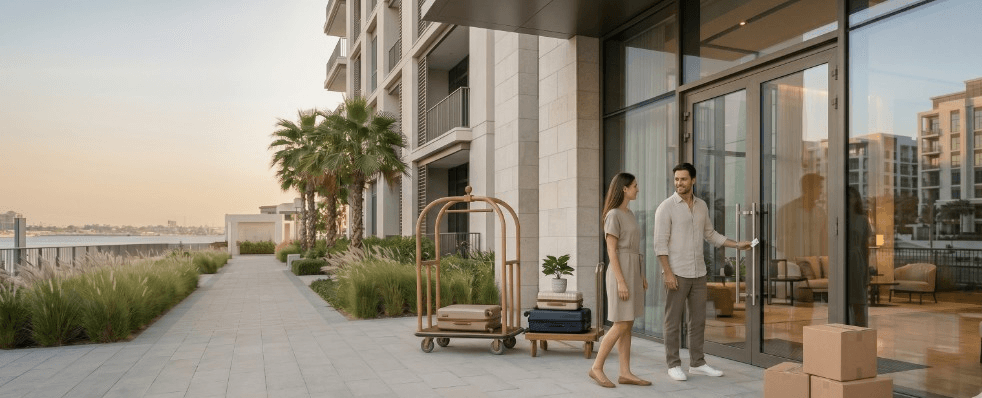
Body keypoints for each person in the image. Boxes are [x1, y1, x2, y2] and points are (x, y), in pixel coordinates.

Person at [654, 163, 751, 381]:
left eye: (684, 179)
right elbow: (659, 245)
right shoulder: (666, 207)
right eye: (676, 179)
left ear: (693, 180)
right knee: (672, 321)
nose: (679, 183)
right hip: (676, 273)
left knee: (698, 321)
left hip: (698, 272)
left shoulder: (701, 206)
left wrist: (736, 245)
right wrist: (667, 273)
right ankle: (673, 364)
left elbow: (711, 234)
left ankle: (697, 363)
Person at [589, 172, 650, 388]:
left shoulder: (630, 214)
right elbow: (612, 252)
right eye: (635, 185)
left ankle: (625, 372)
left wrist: (641, 275)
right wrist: (621, 281)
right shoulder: (613, 215)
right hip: (620, 272)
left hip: (632, 270)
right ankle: (597, 367)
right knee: (620, 323)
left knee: (628, 323)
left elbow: (634, 248)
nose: (637, 189)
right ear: (624, 188)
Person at [846, 186, 871, 326]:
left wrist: (866, 271)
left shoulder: (862, 220)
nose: (848, 199)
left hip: (856, 262)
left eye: (851, 196)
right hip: (843, 261)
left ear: (856, 199)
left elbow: (865, 247)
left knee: (858, 302)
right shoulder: (840, 217)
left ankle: (861, 334)